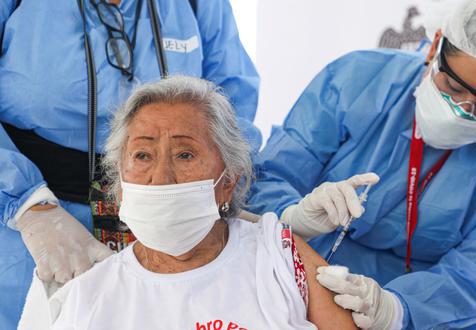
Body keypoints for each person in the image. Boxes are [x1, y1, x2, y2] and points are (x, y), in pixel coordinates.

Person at [247, 0, 476, 328]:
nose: (463, 112)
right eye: (453, 88)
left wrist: (398, 310)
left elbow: (473, 273)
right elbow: (269, 176)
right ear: (434, 46)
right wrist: (293, 217)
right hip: (307, 271)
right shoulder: (358, 80)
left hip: (428, 313)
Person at [0, 0, 259, 328]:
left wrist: (227, 196)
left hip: (166, 213)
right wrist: (29, 208)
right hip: (30, 217)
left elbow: (231, 112)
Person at [41, 76, 356, 329]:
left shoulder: (281, 258)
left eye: (185, 154)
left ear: (229, 180)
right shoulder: (88, 299)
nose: (161, 176)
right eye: (142, 155)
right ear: (119, 182)